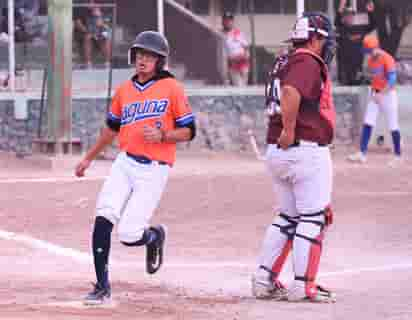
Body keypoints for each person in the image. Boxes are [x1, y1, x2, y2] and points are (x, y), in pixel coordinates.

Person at [74, 30, 196, 305]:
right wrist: (88, 158)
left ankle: (154, 236)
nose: (143, 60)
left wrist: (164, 136)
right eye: (140, 54)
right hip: (125, 162)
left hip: (155, 168)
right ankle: (102, 287)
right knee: (103, 217)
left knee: (129, 235)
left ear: (159, 62)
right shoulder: (124, 91)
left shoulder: (172, 88)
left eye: (150, 56)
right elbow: (110, 131)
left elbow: (189, 131)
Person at [252, 12, 337, 303]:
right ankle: (303, 285)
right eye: (324, 41)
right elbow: (290, 91)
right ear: (314, 39)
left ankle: (264, 280)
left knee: (289, 218)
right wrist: (289, 129)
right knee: (314, 217)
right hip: (302, 148)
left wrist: (286, 132)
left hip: (279, 150)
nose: (327, 47)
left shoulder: (284, 60)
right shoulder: (306, 60)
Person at [347, 35, 402, 166]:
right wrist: (367, 79)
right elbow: (375, 77)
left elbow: (392, 80)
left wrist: (381, 94)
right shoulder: (371, 60)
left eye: (369, 51)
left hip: (388, 95)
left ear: (374, 48)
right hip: (376, 94)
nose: (368, 54)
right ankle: (362, 153)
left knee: (393, 125)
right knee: (368, 122)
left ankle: (398, 156)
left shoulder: (387, 58)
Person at [335, 1, 376, 85]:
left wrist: (370, 12)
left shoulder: (359, 29)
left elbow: (372, 25)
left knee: (360, 85)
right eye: (347, 16)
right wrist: (340, 8)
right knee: (345, 88)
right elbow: (337, 22)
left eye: (351, 15)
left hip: (357, 68)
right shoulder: (341, 29)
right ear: (343, 17)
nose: (349, 17)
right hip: (344, 72)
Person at [73, 1, 112, 68]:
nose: (92, 4)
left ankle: (107, 63)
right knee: (88, 37)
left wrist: (99, 16)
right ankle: (88, 63)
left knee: (105, 37)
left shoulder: (101, 8)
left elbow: (106, 25)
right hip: (85, 32)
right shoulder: (79, 7)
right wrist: (88, 31)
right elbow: (78, 23)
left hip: (100, 31)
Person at [221, 11, 250, 86]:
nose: (227, 22)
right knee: (238, 86)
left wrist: (245, 57)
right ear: (223, 21)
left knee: (244, 87)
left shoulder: (238, 33)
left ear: (232, 21)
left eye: (229, 20)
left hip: (242, 63)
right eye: (225, 20)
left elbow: (246, 48)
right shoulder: (221, 34)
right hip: (232, 65)